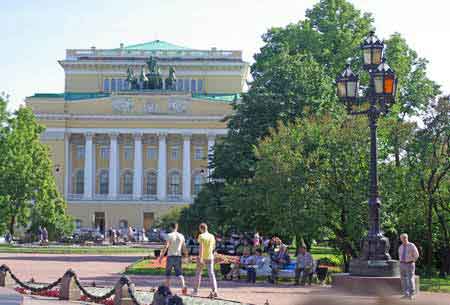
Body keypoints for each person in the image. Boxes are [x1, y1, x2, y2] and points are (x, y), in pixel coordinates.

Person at [158, 222, 188, 295]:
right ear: (177, 227)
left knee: (168, 274)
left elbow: (166, 246)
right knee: (179, 274)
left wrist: (161, 256)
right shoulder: (181, 236)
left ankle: (168, 290)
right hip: (178, 256)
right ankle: (183, 286)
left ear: (171, 227)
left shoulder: (169, 235)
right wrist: (186, 256)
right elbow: (184, 248)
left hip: (170, 256)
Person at [192, 223, 218, 298]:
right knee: (211, 274)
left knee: (198, 274)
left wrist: (200, 258)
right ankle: (215, 290)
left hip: (203, 257)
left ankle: (195, 291)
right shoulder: (212, 236)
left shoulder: (201, 236)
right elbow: (213, 247)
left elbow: (201, 248)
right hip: (210, 257)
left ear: (201, 229)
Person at [398, 233, 419, 299]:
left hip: (409, 264)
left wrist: (412, 261)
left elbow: (417, 255)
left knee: (410, 279)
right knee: (403, 279)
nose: (403, 239)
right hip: (402, 264)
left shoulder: (411, 245)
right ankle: (405, 294)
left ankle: (411, 294)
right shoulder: (400, 246)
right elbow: (400, 255)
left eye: (404, 238)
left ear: (406, 238)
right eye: (401, 238)